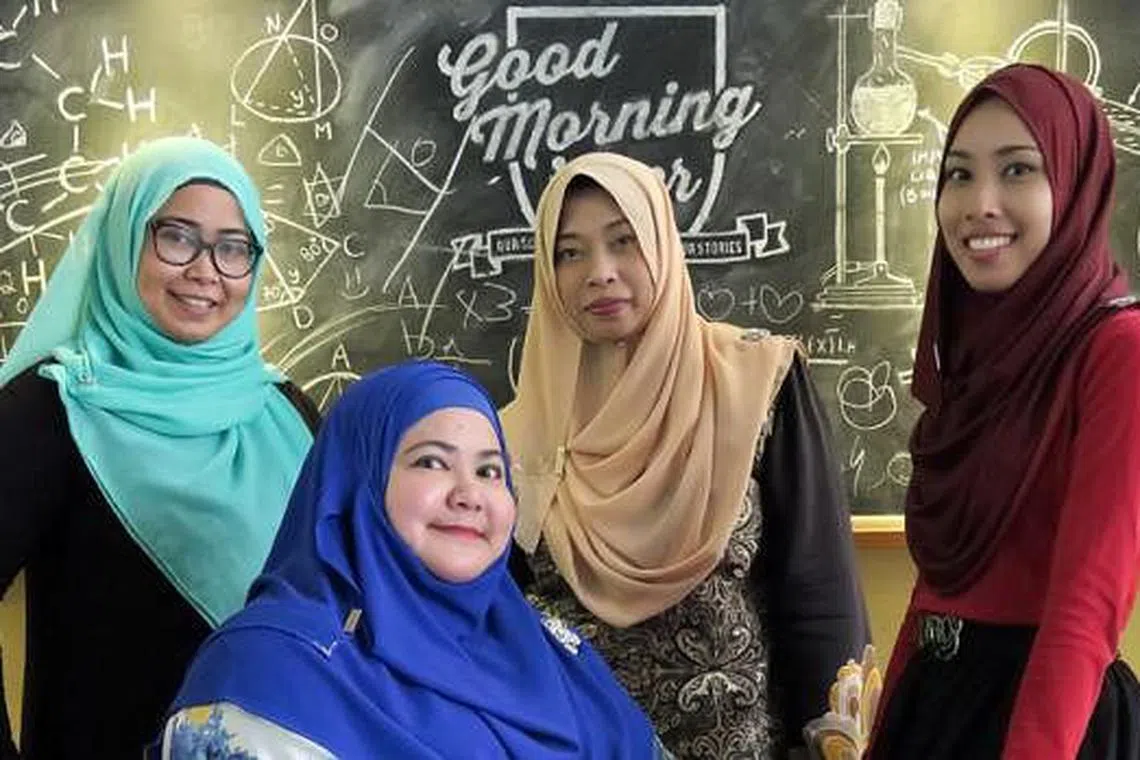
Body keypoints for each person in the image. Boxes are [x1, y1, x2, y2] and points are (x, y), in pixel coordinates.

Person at [500, 151, 869, 759]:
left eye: (625, 241)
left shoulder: (758, 385)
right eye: (569, 252)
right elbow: (500, 630)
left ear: (662, 246)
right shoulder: (509, 438)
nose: (600, 272)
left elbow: (819, 599)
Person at [154, 360, 673, 759]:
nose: (469, 495)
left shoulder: (549, 650)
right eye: (431, 462)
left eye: (490, 472)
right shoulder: (268, 674)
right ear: (357, 483)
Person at [0, 137, 319, 758]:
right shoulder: (51, 409)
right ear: (124, 239)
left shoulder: (285, 409)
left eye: (233, 247)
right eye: (176, 236)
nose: (206, 271)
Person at [868, 63, 1140, 759]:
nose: (978, 203)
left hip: (1046, 719)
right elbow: (937, 591)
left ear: (1076, 185)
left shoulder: (1118, 349)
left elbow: (1086, 608)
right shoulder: (974, 353)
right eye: (958, 175)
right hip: (935, 704)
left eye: (1018, 170)